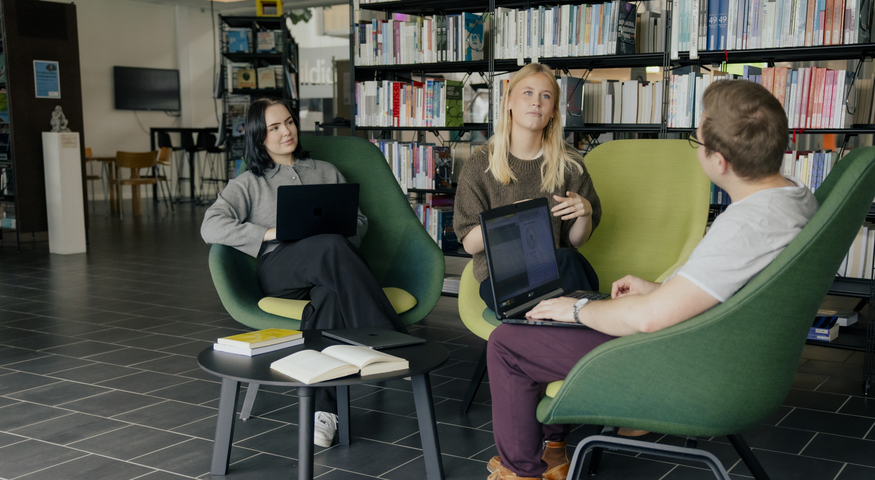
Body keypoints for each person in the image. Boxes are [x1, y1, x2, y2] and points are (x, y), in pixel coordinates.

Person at [483, 79, 821, 480]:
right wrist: (662, 289)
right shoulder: (794, 198)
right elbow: (728, 291)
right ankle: (552, 449)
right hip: (710, 340)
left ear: (720, 162)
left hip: (681, 361)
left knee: (508, 344)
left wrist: (577, 309)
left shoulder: (749, 223)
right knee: (560, 313)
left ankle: (521, 473)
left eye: (699, 144)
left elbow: (648, 320)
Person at [200, 97, 405, 448]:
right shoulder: (250, 182)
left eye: (289, 122)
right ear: (258, 137)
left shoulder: (326, 171)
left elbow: (358, 221)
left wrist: (336, 233)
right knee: (329, 247)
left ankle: (322, 413)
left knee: (329, 295)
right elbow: (211, 227)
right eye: (274, 127)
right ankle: (387, 335)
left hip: (330, 270)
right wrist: (268, 233)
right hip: (282, 272)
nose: (286, 132)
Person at [454, 63, 602, 312]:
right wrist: (511, 218)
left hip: (556, 272)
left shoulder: (570, 165)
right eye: (528, 93)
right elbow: (470, 243)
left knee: (568, 259)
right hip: (500, 278)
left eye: (546, 96)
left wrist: (585, 213)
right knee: (570, 278)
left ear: (554, 111)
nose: (537, 102)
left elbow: (575, 241)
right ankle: (588, 323)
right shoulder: (480, 164)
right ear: (509, 102)